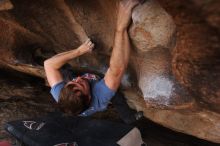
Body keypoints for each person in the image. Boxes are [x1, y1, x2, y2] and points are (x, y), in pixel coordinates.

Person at [44, 0, 141, 118]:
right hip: (99, 90)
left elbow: (48, 64)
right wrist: (120, 28)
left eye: (73, 82)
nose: (78, 79)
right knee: (117, 97)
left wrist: (79, 51)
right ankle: (130, 119)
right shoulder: (100, 96)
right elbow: (117, 70)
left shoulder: (62, 94)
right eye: (80, 84)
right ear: (89, 97)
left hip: (82, 95)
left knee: (65, 71)